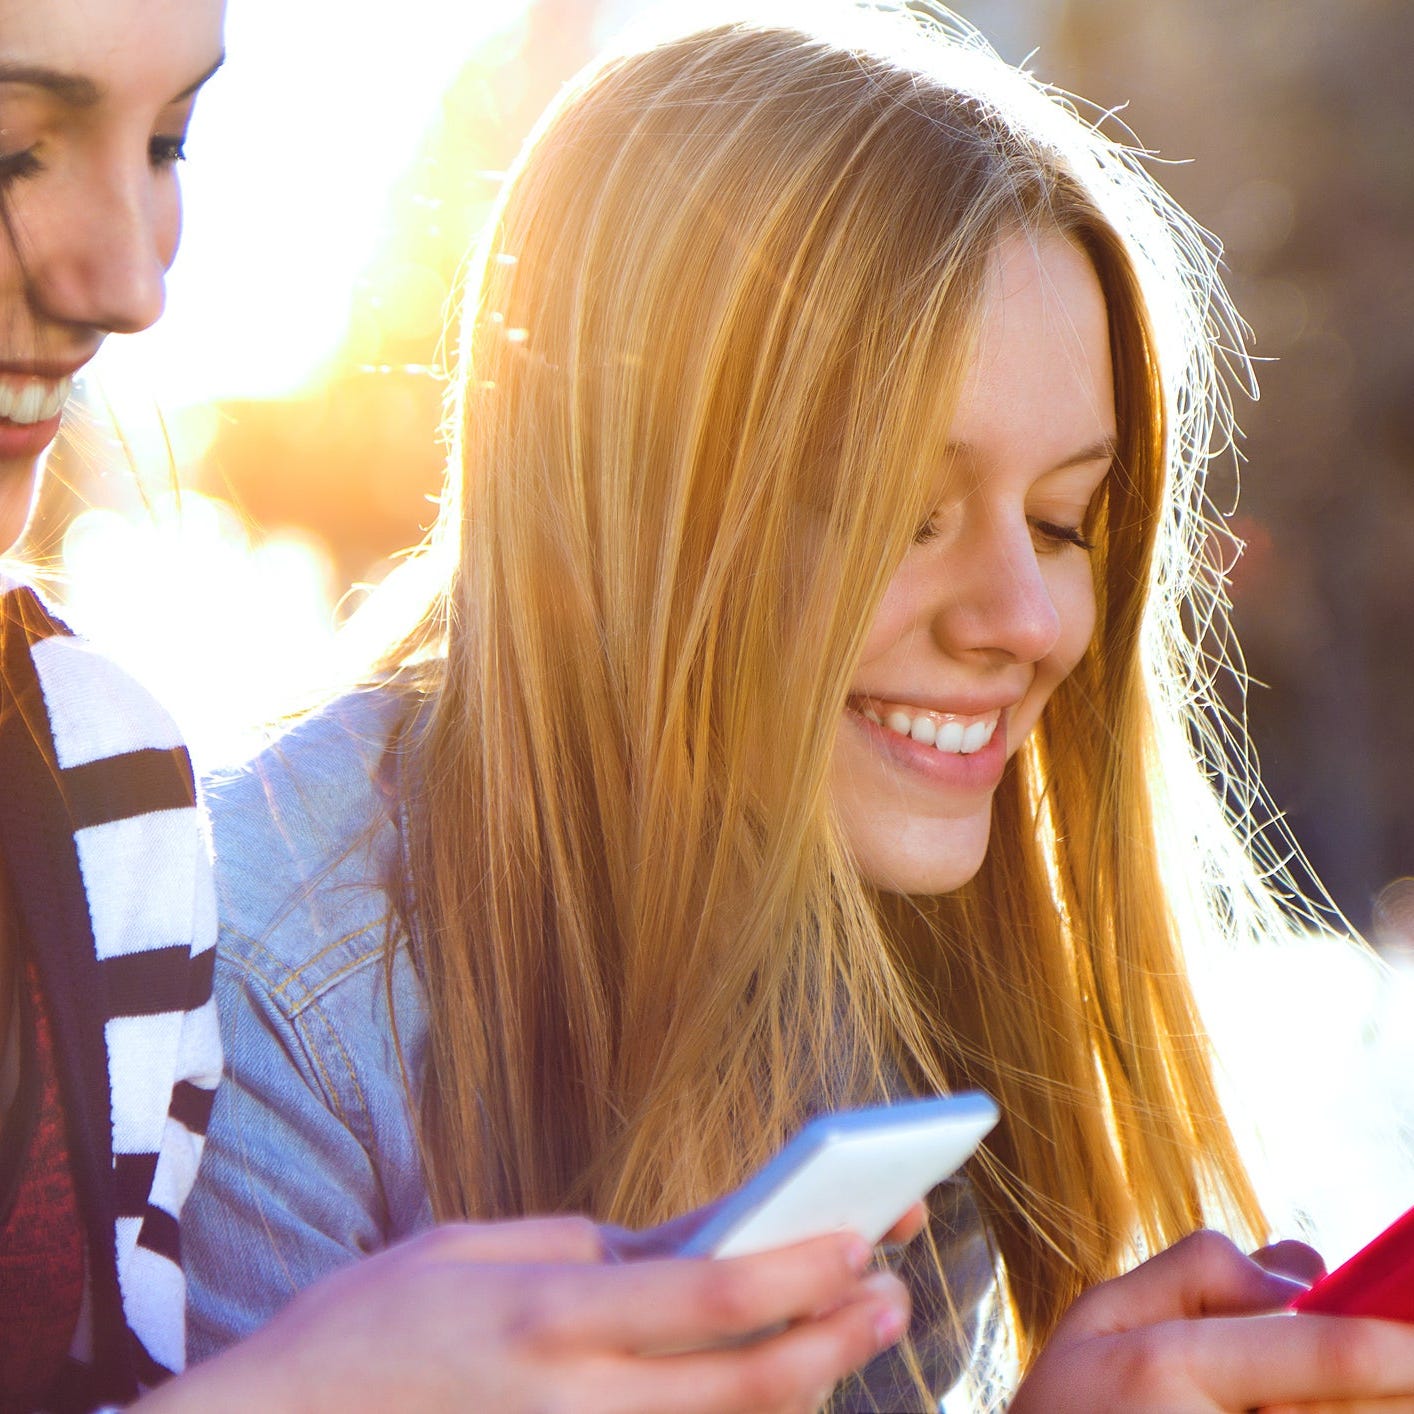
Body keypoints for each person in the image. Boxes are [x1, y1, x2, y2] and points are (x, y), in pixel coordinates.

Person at [181, 4, 1414, 1411]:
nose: (1020, 619)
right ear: (622, 498)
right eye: (905, 510)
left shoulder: (892, 921)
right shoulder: (273, 992)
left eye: (1064, 519)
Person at [1, 4, 910, 1412]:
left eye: (170, 140)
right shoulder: (288, 947)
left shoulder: (99, 790)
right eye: (13, 148)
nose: (128, 281)